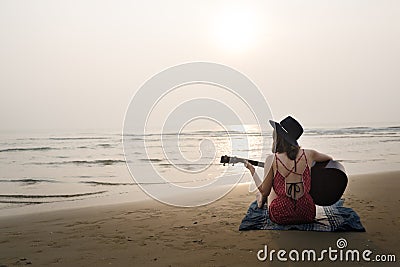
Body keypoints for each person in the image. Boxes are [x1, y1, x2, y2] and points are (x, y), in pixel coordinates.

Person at [244, 116, 332, 225]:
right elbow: (329, 159)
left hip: (281, 214)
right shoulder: (309, 154)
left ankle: (260, 200)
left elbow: (264, 191)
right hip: (307, 213)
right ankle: (261, 199)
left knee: (271, 190)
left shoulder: (271, 159)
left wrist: (252, 170)